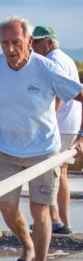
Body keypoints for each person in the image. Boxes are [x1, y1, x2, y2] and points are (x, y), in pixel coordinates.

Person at [0, 16, 83, 261]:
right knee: (7, 206)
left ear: (29, 42)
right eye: (5, 43)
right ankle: (28, 248)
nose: (10, 49)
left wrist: (80, 137)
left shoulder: (46, 69)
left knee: (40, 209)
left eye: (16, 43)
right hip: (6, 148)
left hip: (42, 151)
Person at [31, 25, 81, 234]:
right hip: (70, 122)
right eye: (31, 42)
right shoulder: (66, 58)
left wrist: (43, 120)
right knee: (60, 173)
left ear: (49, 42)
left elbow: (57, 96)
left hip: (59, 124)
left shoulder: (52, 61)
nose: (32, 46)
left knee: (47, 172)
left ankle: (53, 220)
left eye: (37, 42)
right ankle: (63, 221)